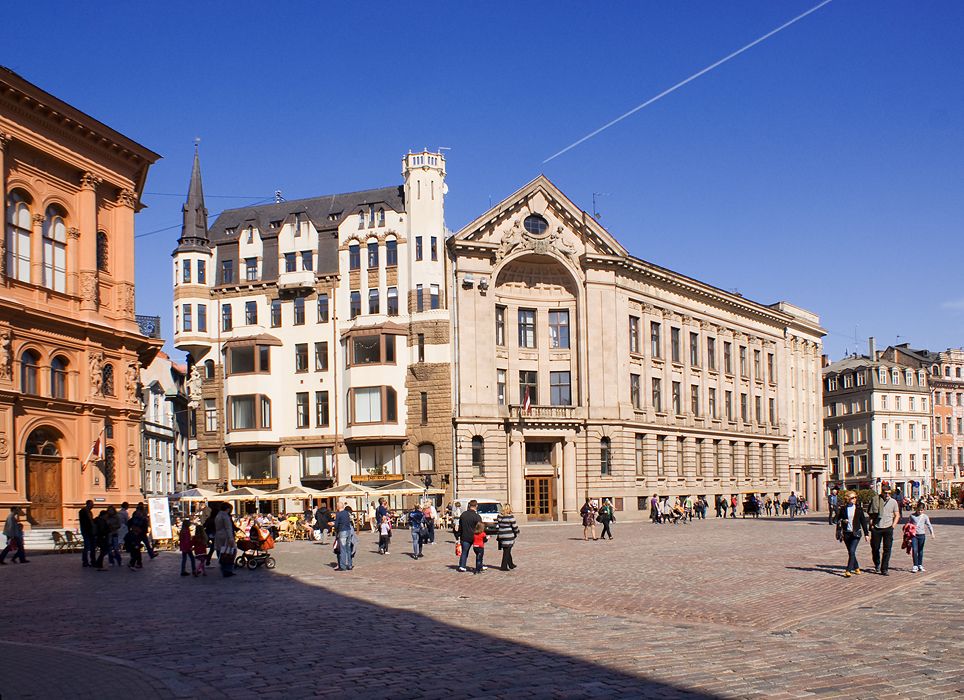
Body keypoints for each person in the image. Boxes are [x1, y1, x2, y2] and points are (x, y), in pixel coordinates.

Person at [836, 490, 869, 577]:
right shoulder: (843, 509)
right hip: (846, 533)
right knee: (851, 552)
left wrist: (866, 534)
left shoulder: (859, 509)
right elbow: (837, 519)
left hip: (856, 533)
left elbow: (863, 522)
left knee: (852, 551)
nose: (854, 499)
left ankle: (848, 570)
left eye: (855, 497)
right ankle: (856, 567)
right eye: (852, 498)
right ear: (848, 499)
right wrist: (843, 520)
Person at [870, 486, 901, 575]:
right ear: (882, 492)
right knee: (875, 548)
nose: (887, 495)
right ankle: (877, 564)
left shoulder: (893, 502)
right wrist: (871, 525)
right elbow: (871, 514)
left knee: (887, 549)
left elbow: (897, 515)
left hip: (888, 528)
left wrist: (893, 526)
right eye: (885, 493)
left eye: (889, 493)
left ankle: (884, 568)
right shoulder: (876, 500)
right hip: (877, 528)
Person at [908, 502, 935, 573]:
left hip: (922, 535)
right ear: (916, 509)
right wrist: (908, 536)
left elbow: (929, 525)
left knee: (920, 550)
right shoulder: (912, 516)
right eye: (919, 510)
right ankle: (915, 565)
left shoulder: (925, 516)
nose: (920, 511)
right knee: (915, 550)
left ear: (923, 510)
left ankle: (920, 564)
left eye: (921, 510)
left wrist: (932, 533)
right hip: (914, 535)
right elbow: (909, 525)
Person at [457, 500, 481, 572]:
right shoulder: (477, 516)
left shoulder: (463, 515)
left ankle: (462, 566)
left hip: (464, 536)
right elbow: (480, 528)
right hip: (475, 537)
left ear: (469, 506)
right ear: (476, 506)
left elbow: (460, 527)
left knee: (464, 552)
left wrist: (458, 535)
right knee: (479, 552)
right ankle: (479, 566)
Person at [215, 502, 238, 578]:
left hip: (218, 535)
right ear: (228, 509)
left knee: (221, 552)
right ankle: (228, 570)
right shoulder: (225, 516)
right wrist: (231, 538)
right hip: (226, 536)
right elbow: (228, 528)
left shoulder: (218, 515)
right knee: (230, 552)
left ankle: (223, 568)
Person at [495, 504, 520, 570]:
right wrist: (517, 531)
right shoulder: (510, 517)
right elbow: (514, 527)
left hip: (501, 535)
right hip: (508, 535)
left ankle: (511, 564)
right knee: (507, 551)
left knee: (506, 550)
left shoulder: (499, 516)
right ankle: (503, 566)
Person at [334, 503, 355, 571]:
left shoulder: (338, 514)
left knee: (342, 549)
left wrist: (335, 528)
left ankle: (343, 566)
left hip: (342, 531)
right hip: (348, 531)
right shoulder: (346, 513)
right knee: (348, 548)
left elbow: (336, 524)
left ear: (338, 507)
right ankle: (350, 565)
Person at [79, 499, 96, 567]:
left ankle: (92, 561)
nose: (93, 506)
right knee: (87, 546)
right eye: (92, 504)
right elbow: (86, 522)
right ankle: (85, 561)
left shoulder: (89, 512)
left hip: (90, 531)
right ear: (88, 504)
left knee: (92, 546)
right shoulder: (83, 511)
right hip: (86, 531)